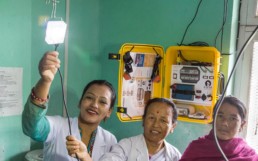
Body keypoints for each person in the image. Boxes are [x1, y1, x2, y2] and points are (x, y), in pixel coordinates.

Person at [22, 51, 117, 161]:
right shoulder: (57, 127)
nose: (94, 105)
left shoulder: (110, 140)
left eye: (102, 102)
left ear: (109, 111)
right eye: (89, 98)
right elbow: (31, 127)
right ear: (80, 102)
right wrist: (45, 81)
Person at [66, 97, 182, 161]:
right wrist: (85, 157)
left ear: (173, 126)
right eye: (151, 118)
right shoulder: (126, 146)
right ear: (143, 120)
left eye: (163, 120)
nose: (156, 124)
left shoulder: (175, 156)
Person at [179, 96, 258, 161]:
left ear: (242, 124)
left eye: (233, 119)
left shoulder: (249, 155)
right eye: (220, 116)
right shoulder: (196, 148)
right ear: (213, 119)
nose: (224, 123)